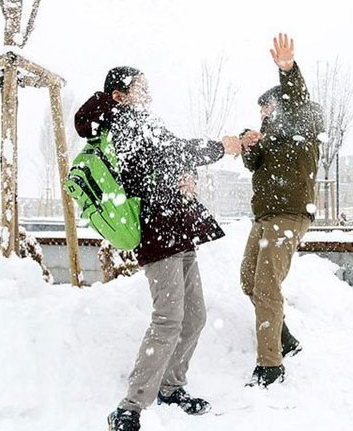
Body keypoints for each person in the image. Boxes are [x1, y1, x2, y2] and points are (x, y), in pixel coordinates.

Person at [74, 67, 243, 431]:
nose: (148, 90)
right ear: (120, 95)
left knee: (194, 316)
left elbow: (170, 161)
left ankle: (171, 387)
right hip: (157, 231)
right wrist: (221, 147)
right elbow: (174, 151)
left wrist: (188, 178)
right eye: (140, 86)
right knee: (168, 318)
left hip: (177, 228)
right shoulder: (123, 123)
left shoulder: (143, 121)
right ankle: (129, 407)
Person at [239, 33, 324, 388]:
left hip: (289, 215)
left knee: (267, 286)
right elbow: (253, 165)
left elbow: (298, 99)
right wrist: (247, 143)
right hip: (265, 217)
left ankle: (270, 366)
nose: (264, 114)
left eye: (268, 108)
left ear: (282, 105)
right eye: (261, 111)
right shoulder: (269, 137)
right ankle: (284, 337)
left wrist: (287, 69)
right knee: (249, 280)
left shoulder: (302, 123)